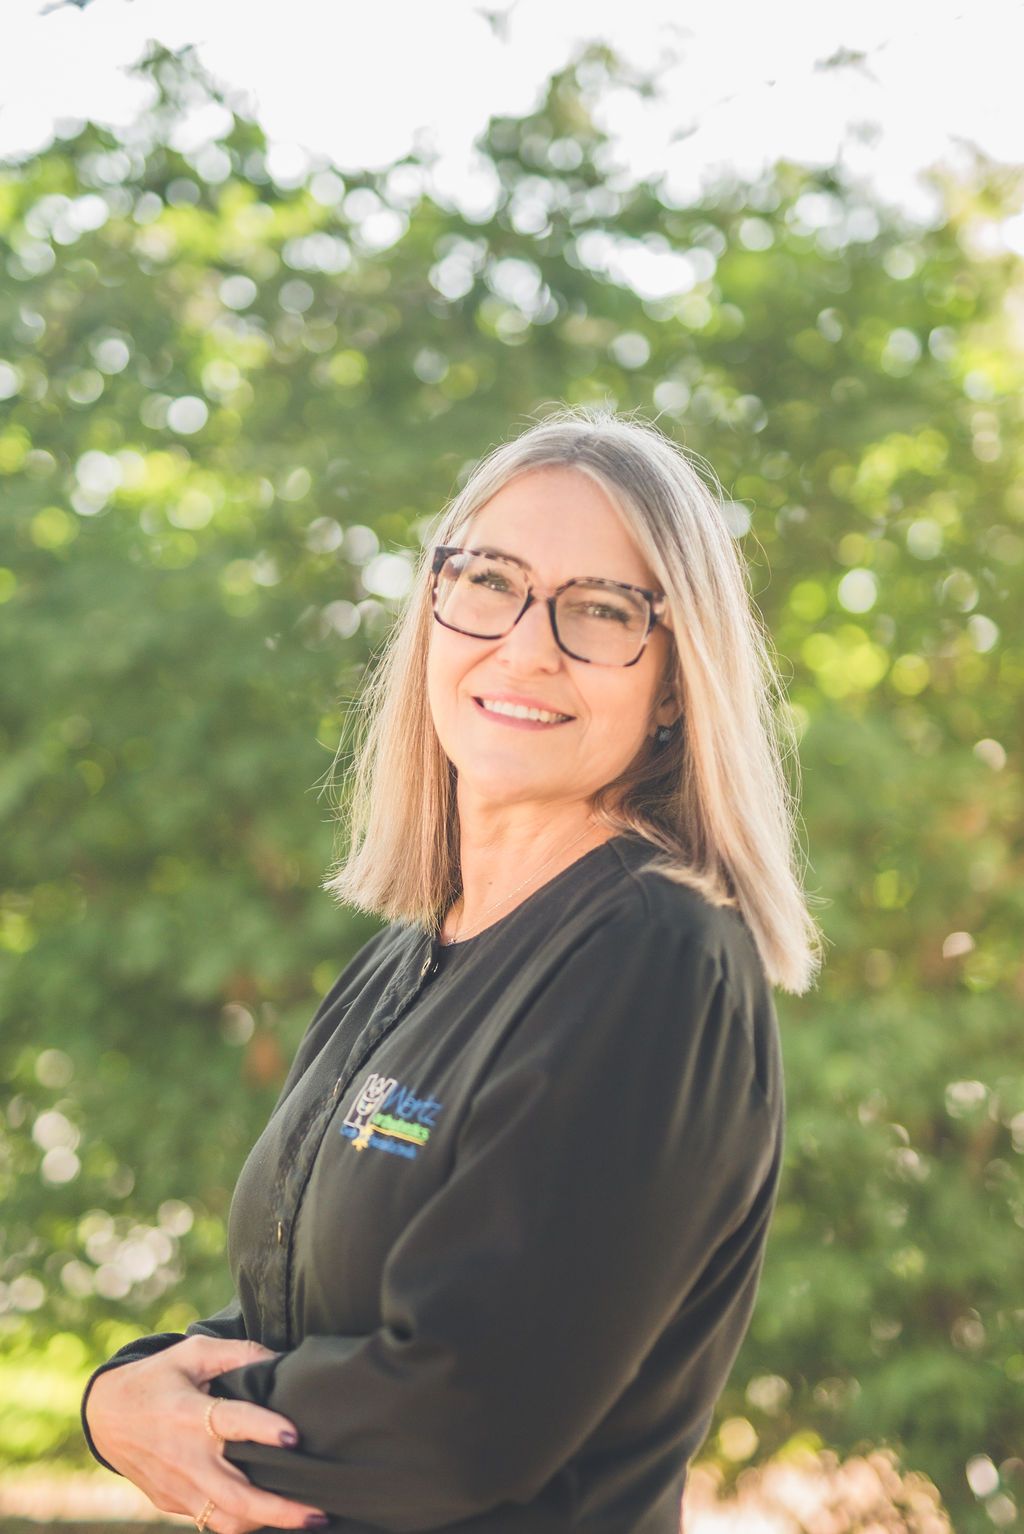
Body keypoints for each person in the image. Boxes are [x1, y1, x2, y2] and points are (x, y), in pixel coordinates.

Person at [81, 406, 824, 1534]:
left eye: (601, 610)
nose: (526, 646)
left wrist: (178, 1422)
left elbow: (462, 1411)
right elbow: (293, 1317)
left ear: (675, 682)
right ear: (433, 604)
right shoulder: (404, 957)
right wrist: (123, 1391)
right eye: (489, 581)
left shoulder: (656, 955)